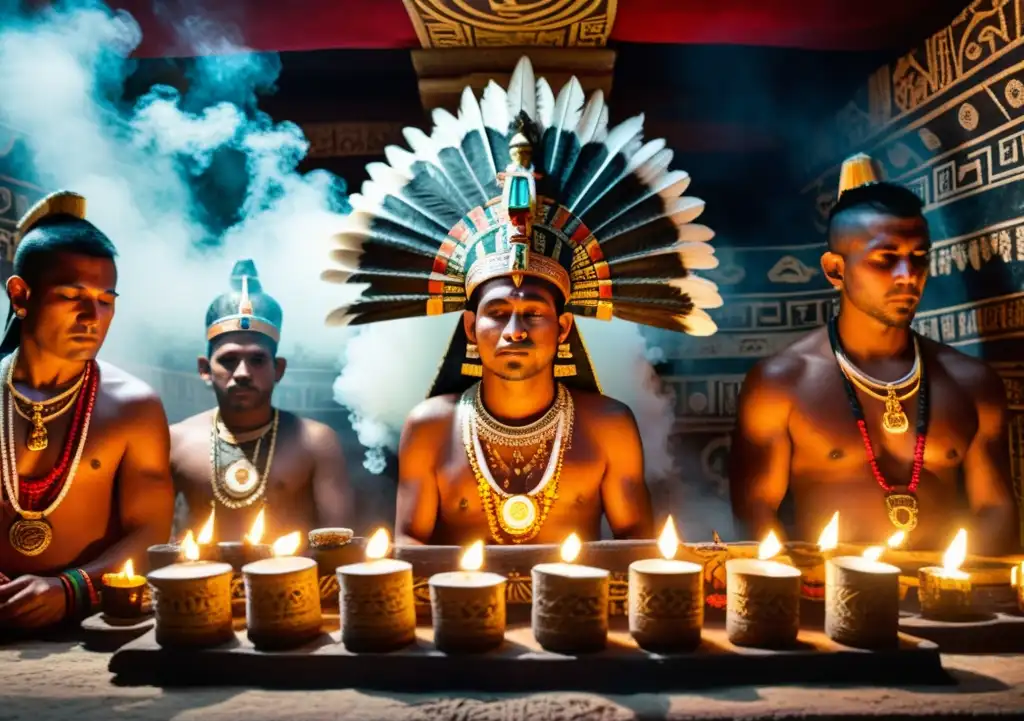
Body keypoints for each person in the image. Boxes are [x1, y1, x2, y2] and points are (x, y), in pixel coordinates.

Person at [322, 56, 724, 545]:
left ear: (564, 328)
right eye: (497, 314)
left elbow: (634, 550)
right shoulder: (430, 426)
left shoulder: (608, 425)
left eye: (534, 313)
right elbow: (411, 547)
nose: (515, 330)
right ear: (470, 328)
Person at [730, 154, 1018, 555]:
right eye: (885, 259)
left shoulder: (972, 383)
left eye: (919, 258)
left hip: (943, 604)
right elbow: (755, 510)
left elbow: (997, 508)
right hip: (826, 602)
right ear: (835, 270)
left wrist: (952, 584)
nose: (908, 276)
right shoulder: (782, 382)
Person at [0, 190, 175, 630]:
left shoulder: (134, 407)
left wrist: (70, 588)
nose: (91, 316)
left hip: (92, 628)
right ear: (21, 296)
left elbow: (151, 532)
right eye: (70, 295)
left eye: (106, 299)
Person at [170, 259, 352, 543]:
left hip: (293, 585)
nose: (242, 373)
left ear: (278, 368)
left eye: (257, 360)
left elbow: (338, 545)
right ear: (205, 369)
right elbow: (155, 543)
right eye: (228, 360)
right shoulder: (176, 440)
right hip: (199, 585)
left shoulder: (316, 441)